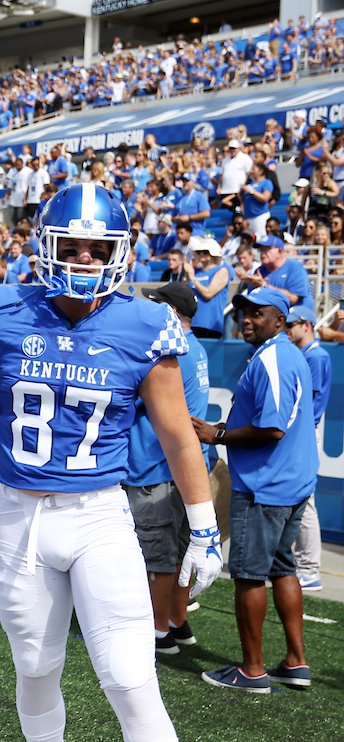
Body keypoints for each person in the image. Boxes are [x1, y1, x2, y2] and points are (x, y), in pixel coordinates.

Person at [0, 183, 219, 742]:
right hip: (19, 519)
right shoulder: (2, 309)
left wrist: (203, 525)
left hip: (97, 516)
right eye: (72, 245)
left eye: (99, 248)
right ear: (44, 246)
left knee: (128, 675)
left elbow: (178, 437)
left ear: (121, 252)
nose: (84, 258)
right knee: (34, 667)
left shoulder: (145, 324)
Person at [192, 288, 318, 693]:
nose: (246, 319)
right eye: (244, 312)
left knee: (249, 575)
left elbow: (273, 427)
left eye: (257, 314)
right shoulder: (280, 352)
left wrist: (218, 434)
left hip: (267, 485)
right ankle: (295, 662)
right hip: (288, 481)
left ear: (279, 320)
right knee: (283, 569)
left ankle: (252, 670)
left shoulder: (275, 357)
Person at [128, 282, 210, 655]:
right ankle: (177, 621)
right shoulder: (196, 349)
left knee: (158, 558)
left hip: (156, 467)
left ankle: (158, 632)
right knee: (176, 554)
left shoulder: (171, 353)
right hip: (175, 469)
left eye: (157, 305)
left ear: (172, 313)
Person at [284, 304, 333, 592]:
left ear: (308, 325)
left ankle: (309, 569)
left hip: (304, 433)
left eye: (293, 324)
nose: (288, 329)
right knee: (299, 497)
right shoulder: (307, 354)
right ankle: (303, 565)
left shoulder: (316, 355)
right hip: (301, 432)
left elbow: (306, 404)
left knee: (306, 500)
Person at [184, 237, 231, 339]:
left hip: (209, 324)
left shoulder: (222, 270)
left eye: (205, 252)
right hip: (192, 324)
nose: (201, 254)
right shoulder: (196, 272)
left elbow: (208, 294)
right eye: (199, 252)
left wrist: (192, 278)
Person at [254, 235, 312, 307]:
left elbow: (292, 299)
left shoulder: (295, 267)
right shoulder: (260, 271)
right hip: (271, 312)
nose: (262, 253)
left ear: (279, 251)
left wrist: (264, 286)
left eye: (266, 249)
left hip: (296, 312)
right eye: (261, 250)